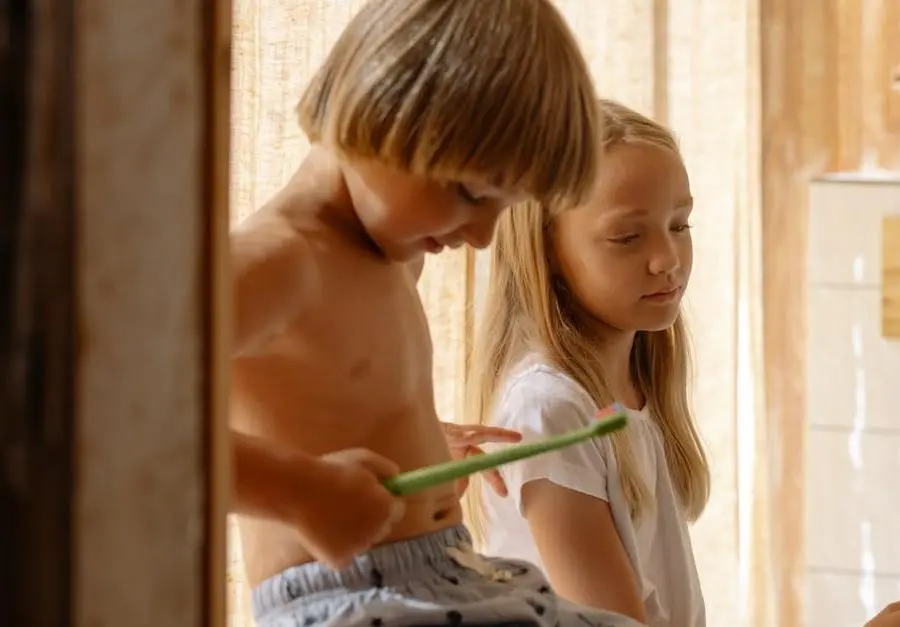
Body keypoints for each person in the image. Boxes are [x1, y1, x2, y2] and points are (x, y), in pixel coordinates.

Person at [464, 100, 900, 627]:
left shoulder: (631, 388)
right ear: (547, 254)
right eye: (628, 237)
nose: (668, 258)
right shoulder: (549, 412)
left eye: (680, 225)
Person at [230, 1, 643, 625]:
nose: (480, 236)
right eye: (473, 195)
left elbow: (338, 392)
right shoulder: (279, 260)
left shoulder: (391, 255)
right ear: (383, 107)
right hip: (359, 601)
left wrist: (419, 451)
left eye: (502, 208)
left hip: (453, 574)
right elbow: (121, 419)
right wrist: (298, 492)